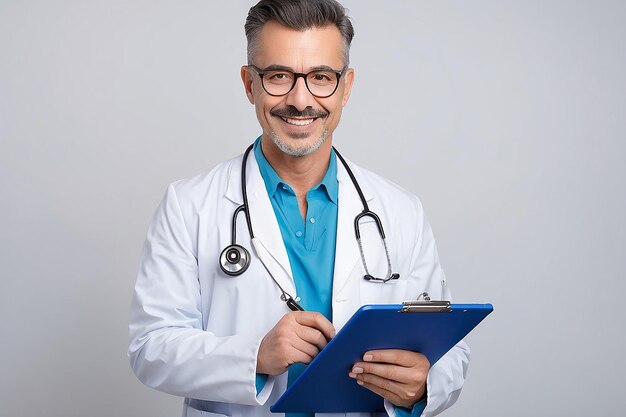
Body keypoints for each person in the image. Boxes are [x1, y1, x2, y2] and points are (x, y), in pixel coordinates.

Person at [128, 1, 470, 416]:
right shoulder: (189, 206)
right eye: (278, 76)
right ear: (249, 84)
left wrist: (424, 384)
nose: (300, 99)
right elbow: (151, 347)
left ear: (346, 86)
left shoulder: (401, 211)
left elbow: (447, 348)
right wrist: (255, 356)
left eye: (322, 77)